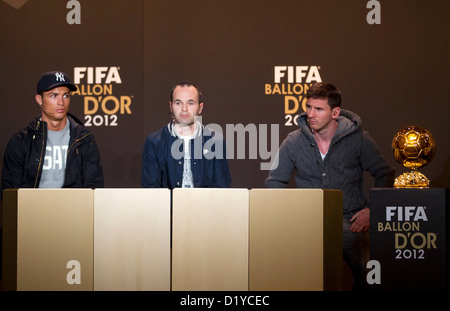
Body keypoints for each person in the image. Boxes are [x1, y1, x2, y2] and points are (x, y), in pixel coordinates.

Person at [265, 82, 395, 290]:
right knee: (293, 278)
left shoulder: (359, 139)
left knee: (370, 276)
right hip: (307, 222)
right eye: (308, 107)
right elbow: (274, 181)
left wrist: (372, 210)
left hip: (350, 221)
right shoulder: (293, 141)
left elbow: (385, 175)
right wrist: (290, 215)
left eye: (318, 109)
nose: (311, 114)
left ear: (335, 112)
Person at [1, 70, 104, 193]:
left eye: (66, 95)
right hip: (32, 210)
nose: (61, 102)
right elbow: (10, 193)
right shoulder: (21, 141)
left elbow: (94, 190)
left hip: (72, 210)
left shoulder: (85, 140)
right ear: (39, 99)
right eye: (53, 95)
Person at [141, 81, 231, 188]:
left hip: (205, 204)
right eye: (178, 103)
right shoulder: (154, 142)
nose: (184, 109)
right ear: (171, 106)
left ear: (200, 107)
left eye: (191, 103)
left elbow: (222, 188)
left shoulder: (215, 141)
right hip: (168, 205)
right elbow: (151, 189)